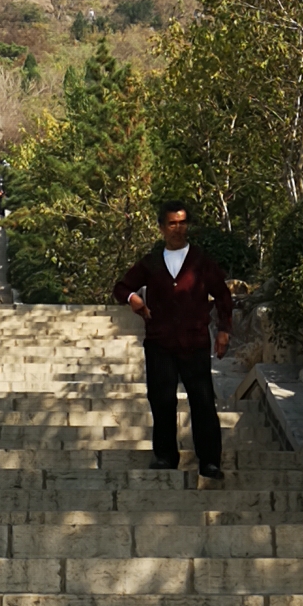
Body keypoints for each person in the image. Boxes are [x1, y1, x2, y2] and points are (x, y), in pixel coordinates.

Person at [113, 200, 233, 480]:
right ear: (161, 228)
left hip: (195, 342)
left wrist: (224, 330)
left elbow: (224, 296)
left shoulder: (201, 262)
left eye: (181, 222)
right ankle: (165, 455)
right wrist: (135, 301)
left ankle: (210, 462)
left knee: (202, 401)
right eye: (171, 223)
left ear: (187, 225)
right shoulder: (152, 262)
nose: (177, 228)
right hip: (160, 342)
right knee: (161, 399)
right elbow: (122, 287)